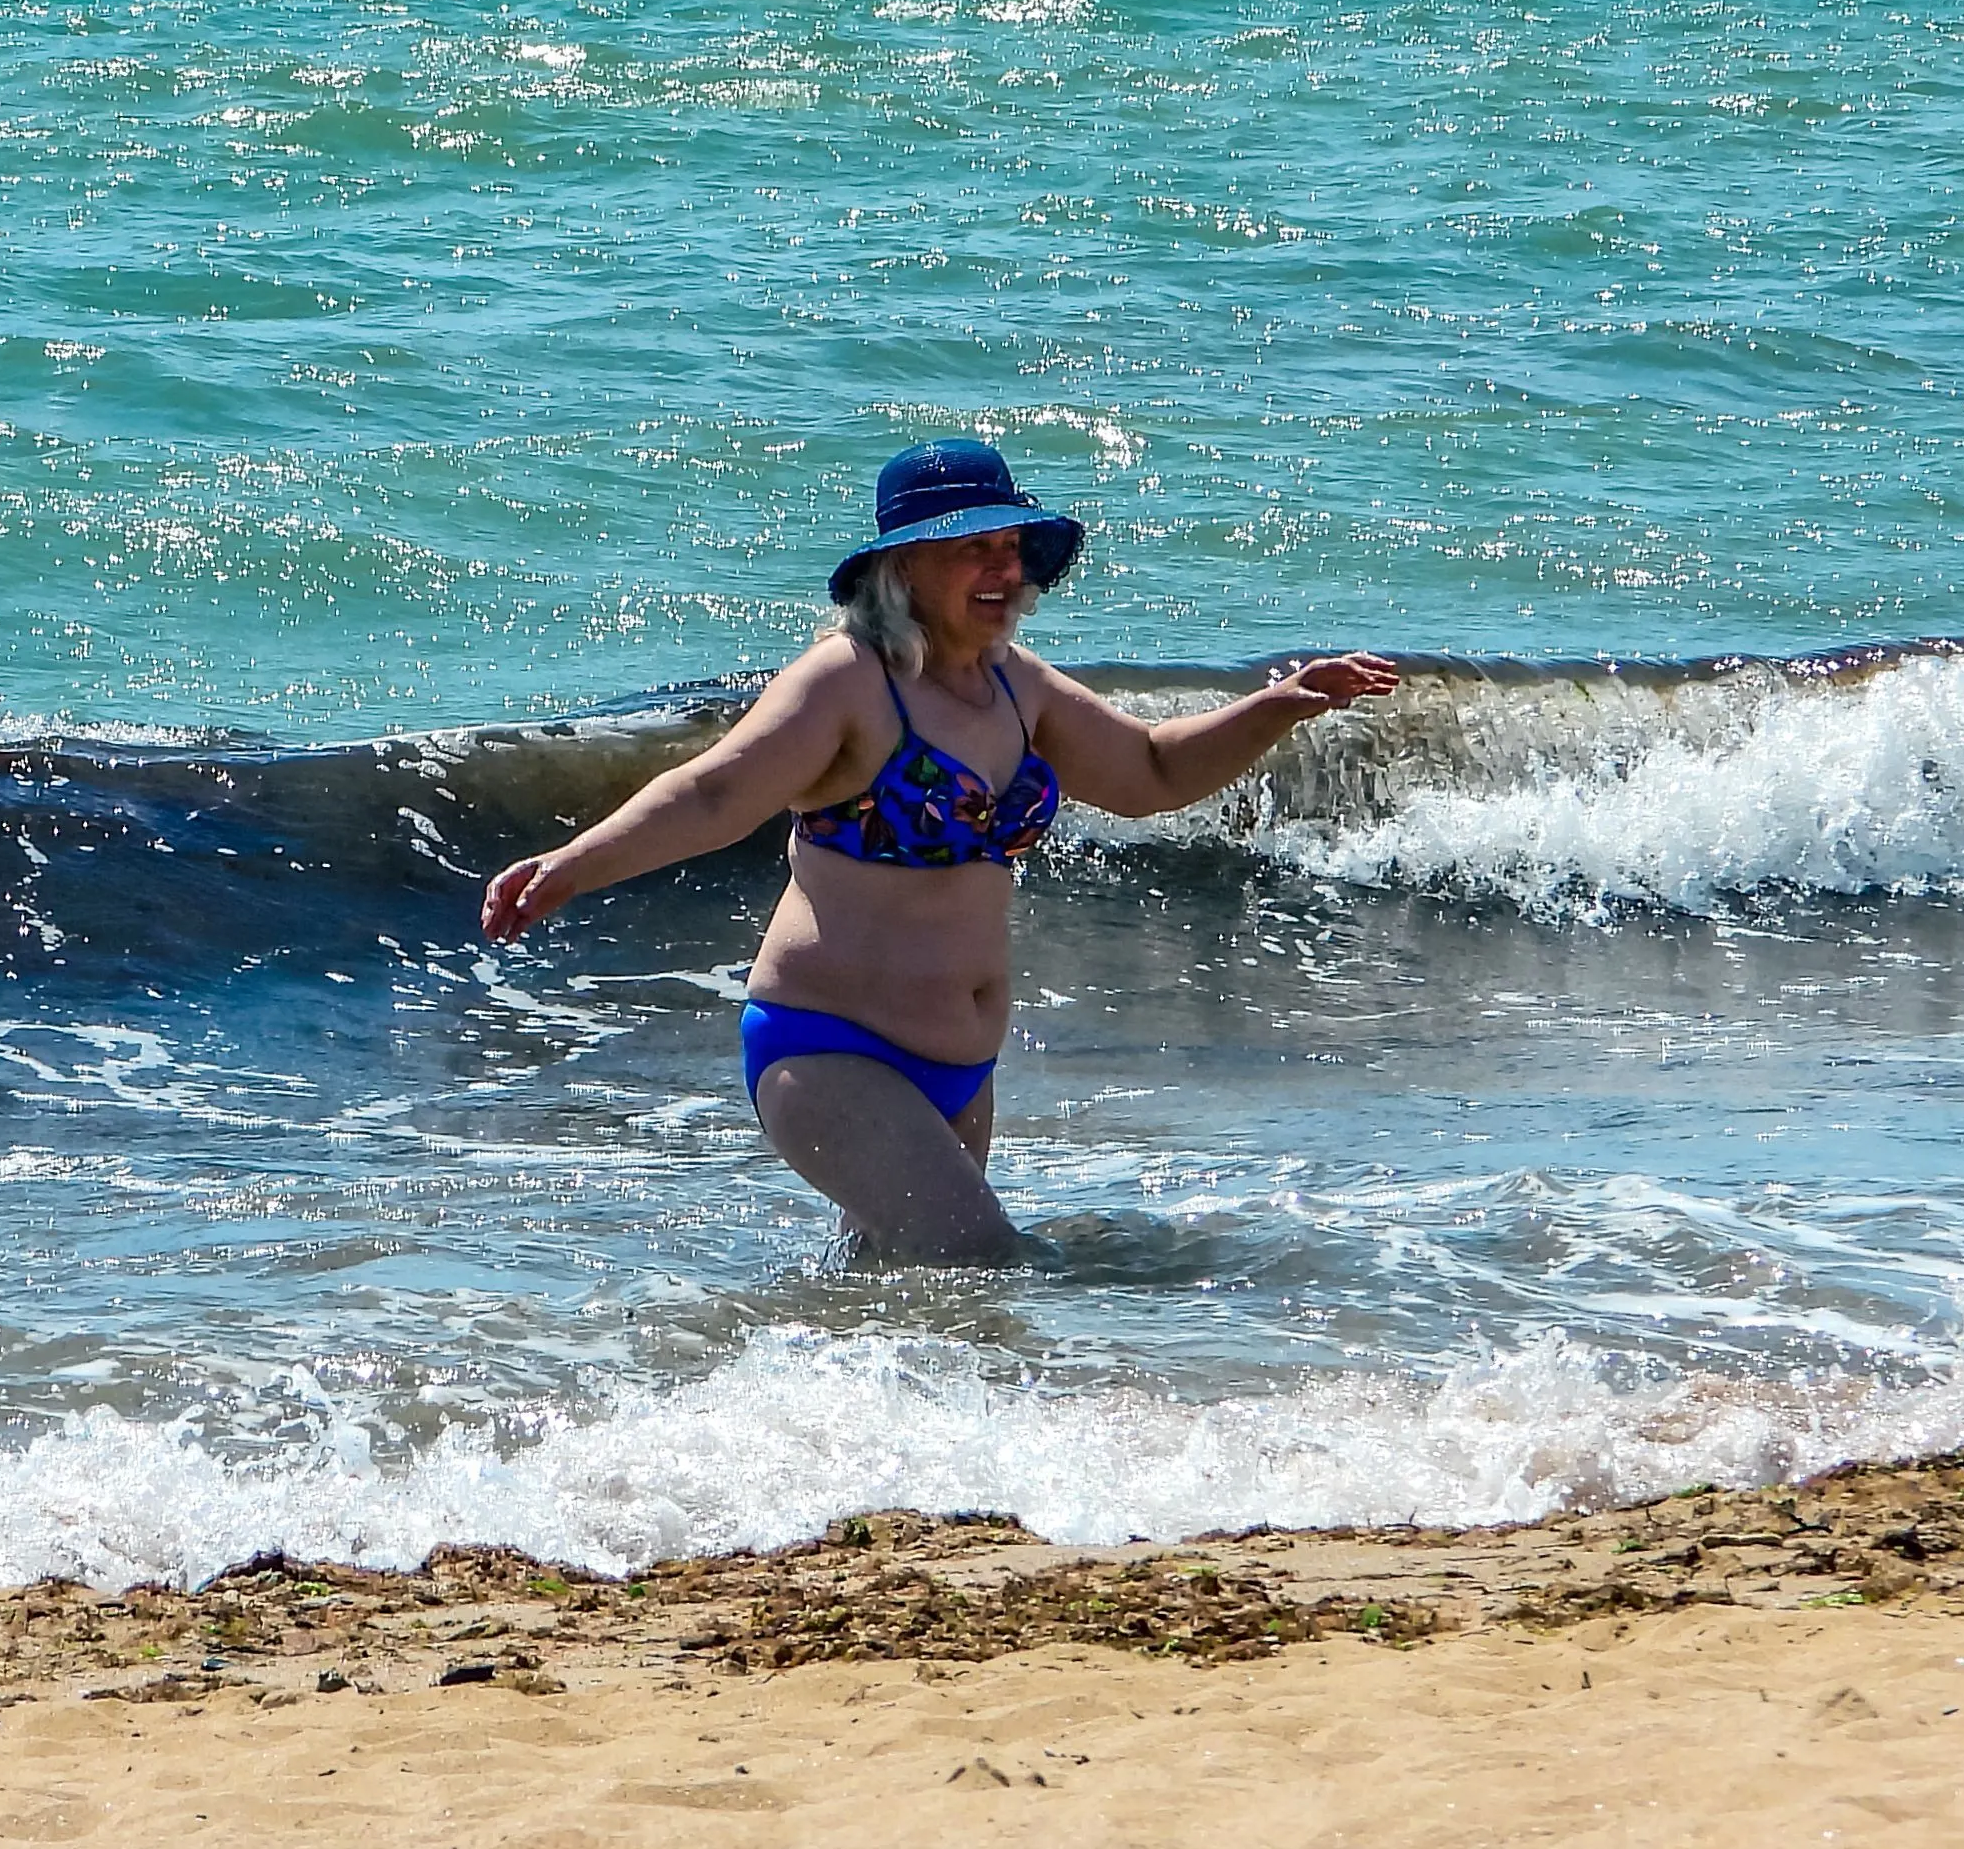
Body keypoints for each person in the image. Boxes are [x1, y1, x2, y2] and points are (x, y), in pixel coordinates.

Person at [479, 438, 1396, 1266]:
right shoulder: (848, 683)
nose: (1003, 568)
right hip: (831, 1050)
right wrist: (572, 867)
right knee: (987, 1266)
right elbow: (717, 793)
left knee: (906, 1309)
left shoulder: (1016, 686)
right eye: (973, 549)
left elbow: (1150, 774)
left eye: (1012, 548)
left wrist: (1280, 703)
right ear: (904, 567)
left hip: (960, 1073)